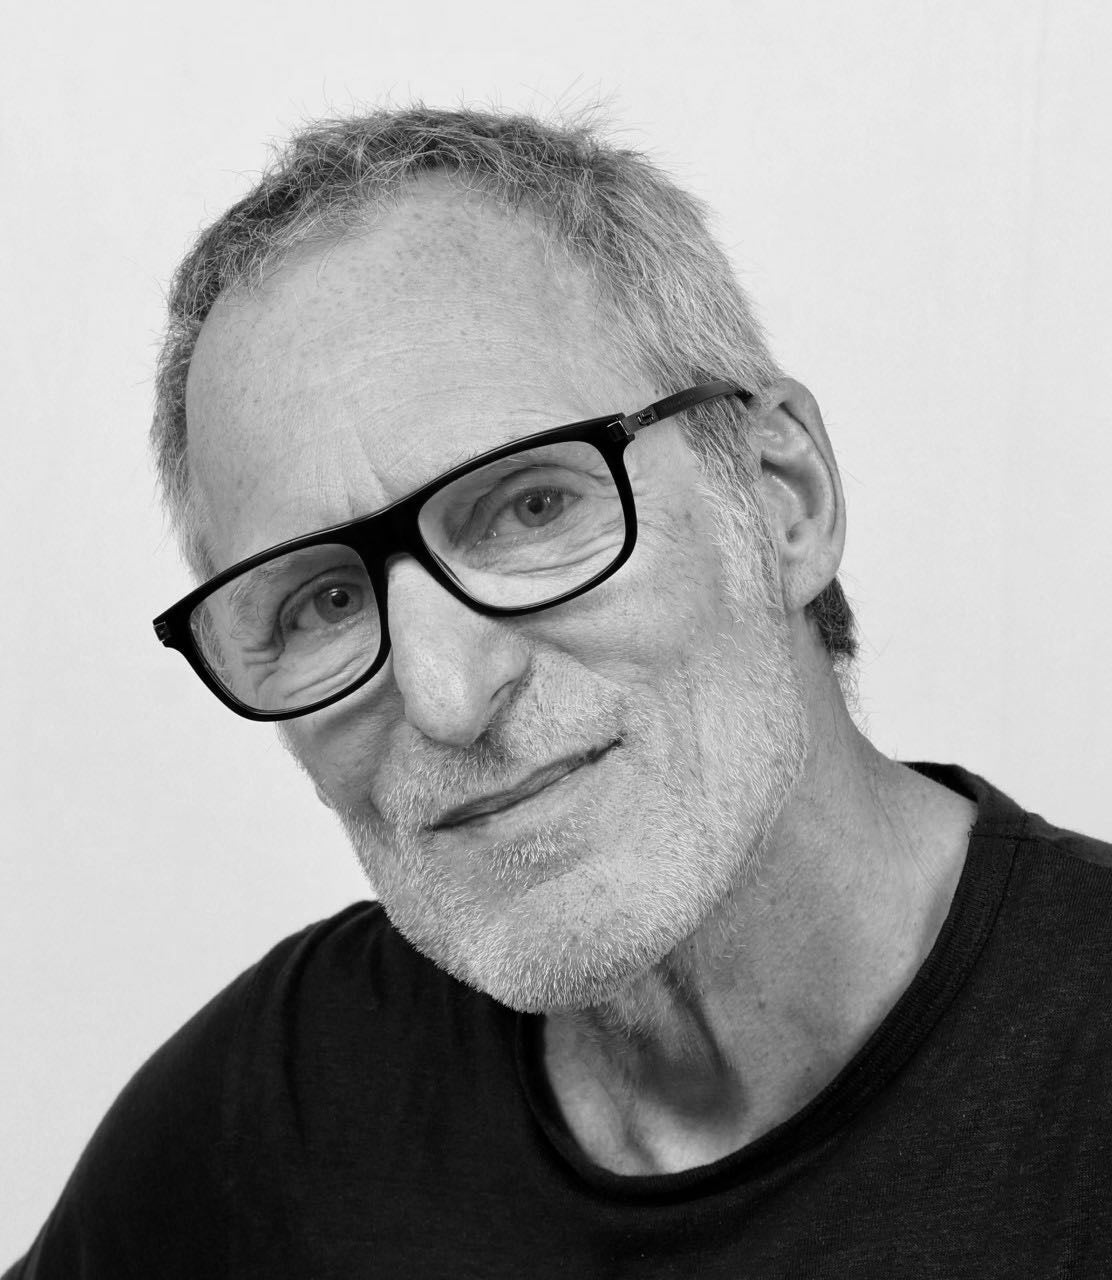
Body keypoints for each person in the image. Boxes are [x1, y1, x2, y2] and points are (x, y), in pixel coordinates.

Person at [6, 103, 1111, 1278]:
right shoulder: (280, 1103)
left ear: (782, 499)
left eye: (531, 507)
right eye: (321, 602)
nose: (444, 694)